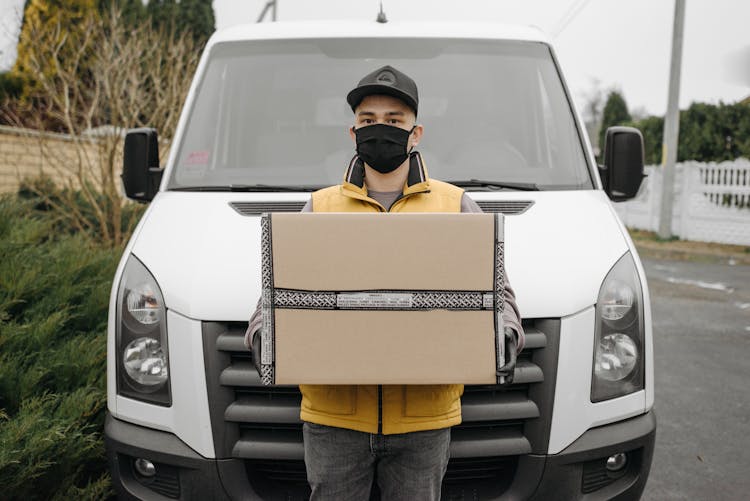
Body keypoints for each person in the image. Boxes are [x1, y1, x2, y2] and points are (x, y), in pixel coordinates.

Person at [245, 65, 524, 500]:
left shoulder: (457, 206)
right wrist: (265, 336)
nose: (381, 130)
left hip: (424, 422)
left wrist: (504, 334)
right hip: (333, 420)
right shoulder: (318, 208)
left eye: (394, 121)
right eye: (368, 120)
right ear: (352, 132)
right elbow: (275, 298)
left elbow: (498, 295)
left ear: (416, 133)